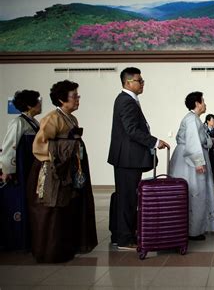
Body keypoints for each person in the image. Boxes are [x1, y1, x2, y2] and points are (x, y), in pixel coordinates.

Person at [28, 80, 97, 263]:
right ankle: (50, 251)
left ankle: (67, 247)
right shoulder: (52, 119)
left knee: (68, 209)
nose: (77, 100)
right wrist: (67, 146)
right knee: (53, 211)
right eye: (74, 97)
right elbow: (39, 145)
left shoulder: (71, 118)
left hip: (69, 169)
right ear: (61, 99)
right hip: (53, 171)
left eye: (77, 96)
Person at [108, 67, 169, 250]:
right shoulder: (126, 100)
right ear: (128, 83)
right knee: (127, 199)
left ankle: (120, 234)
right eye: (139, 81)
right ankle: (125, 239)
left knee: (125, 197)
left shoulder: (127, 99)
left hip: (127, 158)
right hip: (127, 159)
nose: (142, 84)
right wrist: (154, 142)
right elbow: (132, 130)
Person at [170, 92, 214, 240]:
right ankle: (193, 230)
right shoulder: (192, 120)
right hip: (189, 162)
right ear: (197, 103)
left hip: (189, 158)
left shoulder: (194, 119)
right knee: (195, 192)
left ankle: (193, 227)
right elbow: (193, 142)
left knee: (196, 192)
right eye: (203, 101)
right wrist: (198, 162)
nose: (205, 104)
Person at [0, 90, 41, 250]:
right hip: (22, 169)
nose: (39, 104)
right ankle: (18, 240)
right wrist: (8, 170)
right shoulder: (18, 123)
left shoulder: (34, 122)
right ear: (29, 105)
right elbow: (9, 147)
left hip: (32, 167)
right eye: (37, 101)